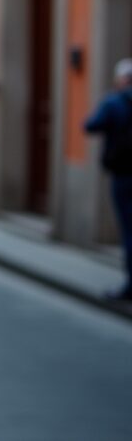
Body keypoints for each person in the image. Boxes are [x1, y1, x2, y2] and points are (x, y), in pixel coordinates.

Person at [84, 58, 132, 301]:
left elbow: (90, 125)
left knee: (129, 229)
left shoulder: (115, 102)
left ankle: (130, 285)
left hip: (123, 176)